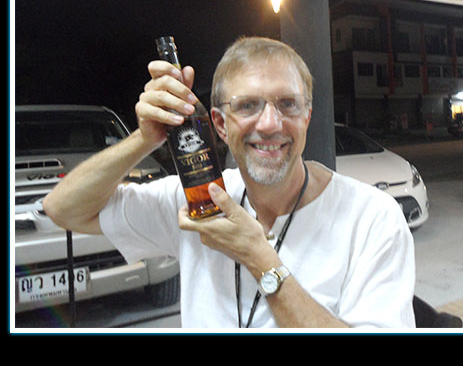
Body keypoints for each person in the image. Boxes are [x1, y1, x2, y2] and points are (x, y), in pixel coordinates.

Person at [43, 36, 415, 329]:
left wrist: (259, 259)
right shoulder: (196, 200)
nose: (269, 123)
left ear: (307, 117)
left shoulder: (372, 217)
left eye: (288, 104)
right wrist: (145, 139)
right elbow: (63, 209)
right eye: (248, 105)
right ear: (219, 125)